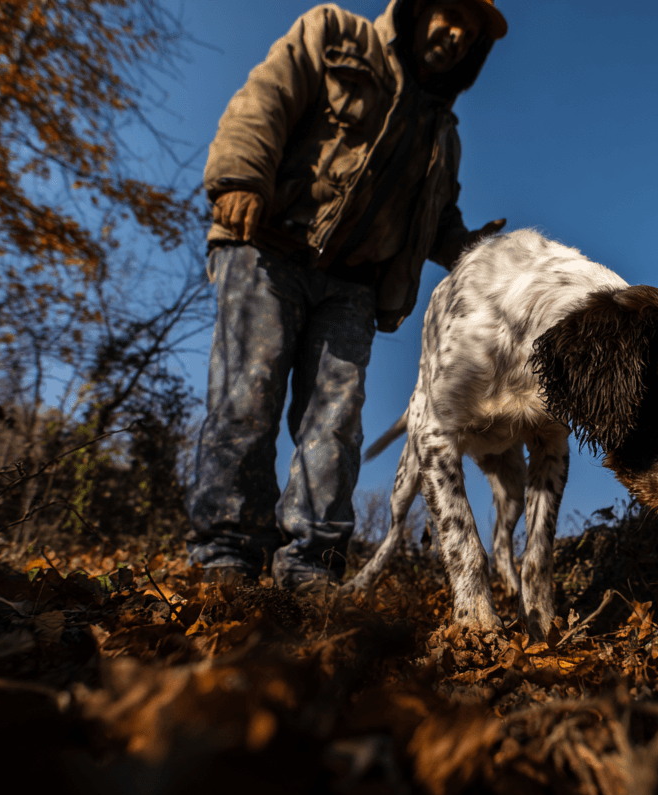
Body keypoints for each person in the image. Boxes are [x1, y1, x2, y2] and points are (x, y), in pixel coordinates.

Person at [189, 0, 509, 588]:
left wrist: (477, 252)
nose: (458, 32)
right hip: (269, 245)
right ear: (418, 8)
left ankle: (310, 564)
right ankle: (226, 554)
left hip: (354, 286)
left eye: (473, 30)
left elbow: (437, 219)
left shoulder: (443, 131)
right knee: (247, 396)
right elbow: (265, 99)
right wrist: (240, 179)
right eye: (451, 11)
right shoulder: (334, 33)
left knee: (334, 421)